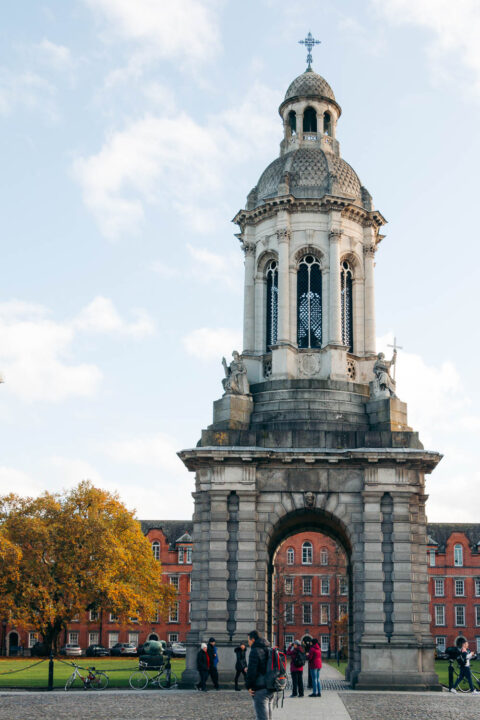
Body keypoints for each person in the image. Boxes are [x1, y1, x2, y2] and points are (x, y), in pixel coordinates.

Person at [246, 630, 274, 720]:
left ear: (253, 640)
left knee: (262, 717)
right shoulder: (268, 648)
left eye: (248, 640)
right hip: (270, 687)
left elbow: (252, 671)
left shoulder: (255, 651)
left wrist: (249, 686)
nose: (248, 642)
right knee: (268, 717)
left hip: (260, 688)